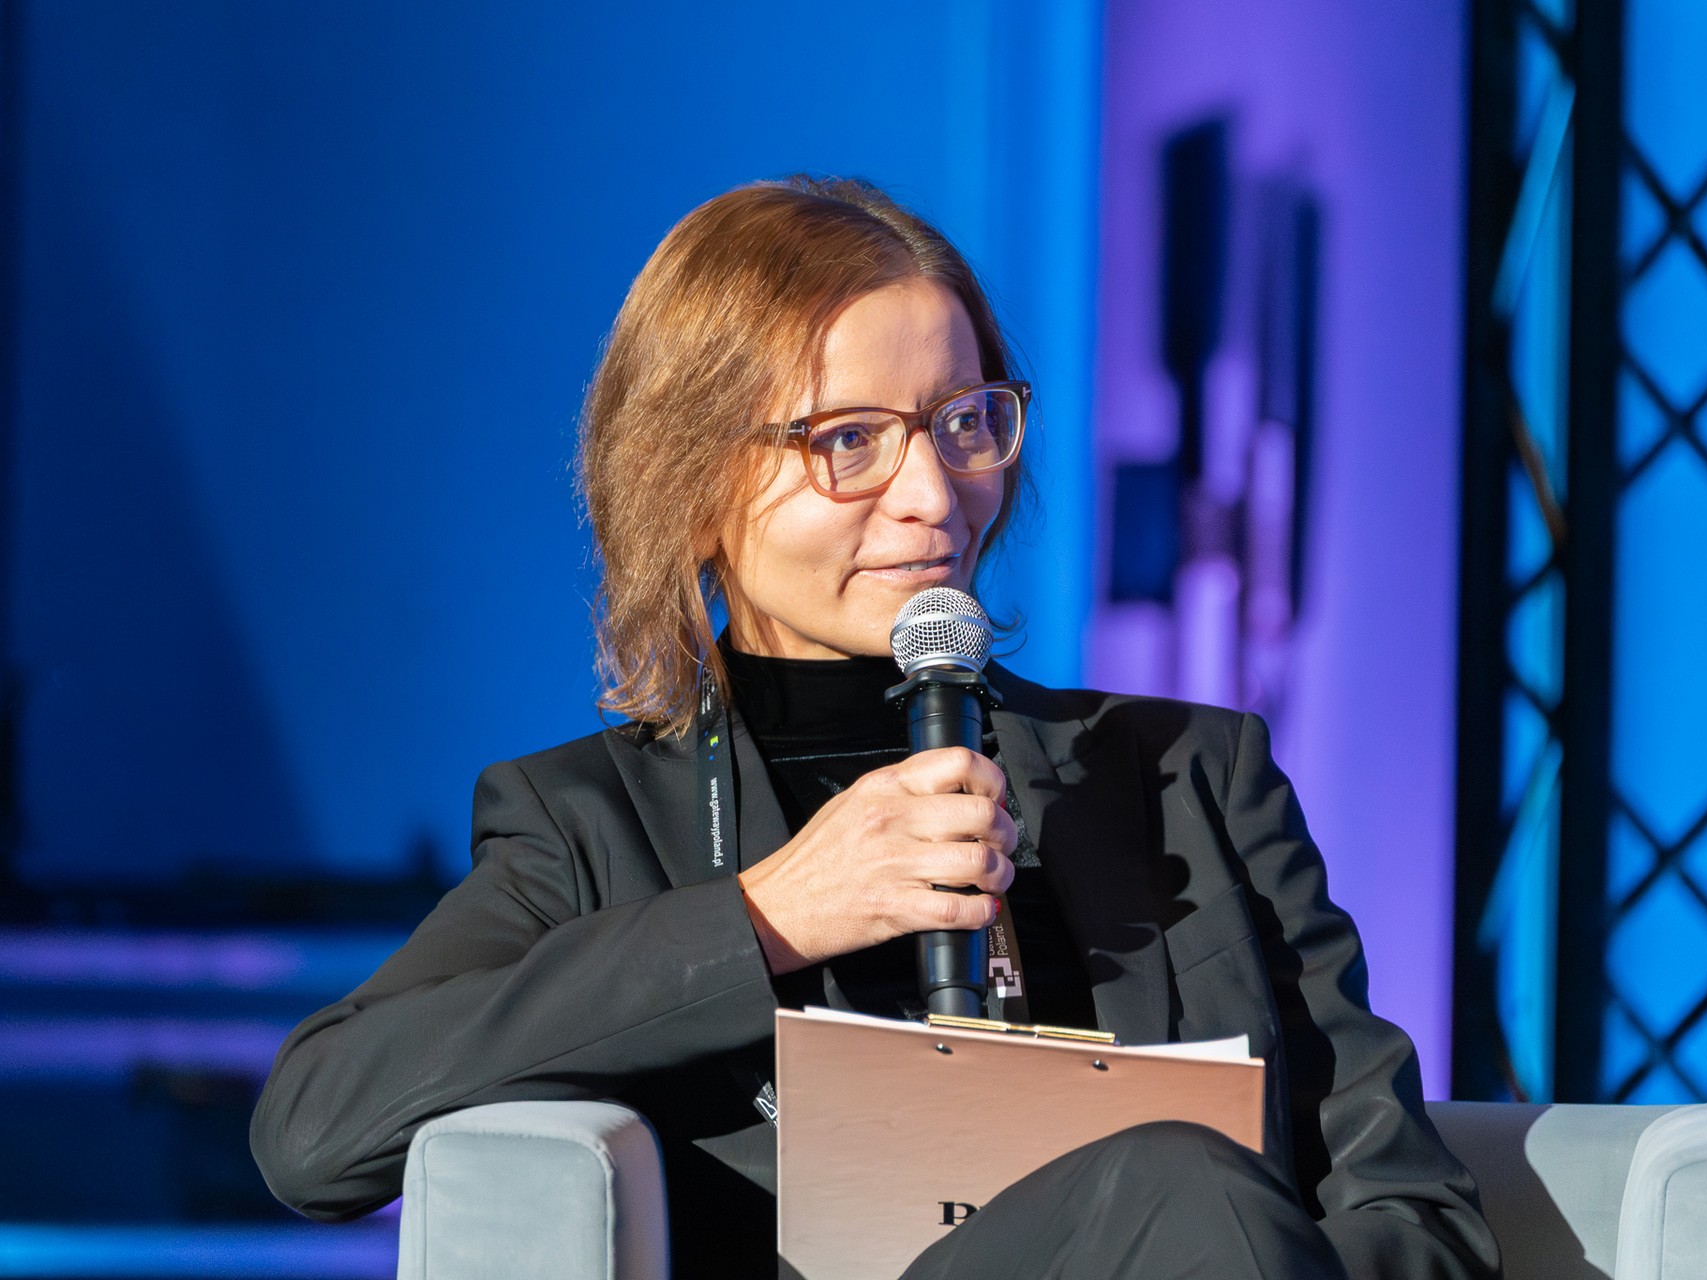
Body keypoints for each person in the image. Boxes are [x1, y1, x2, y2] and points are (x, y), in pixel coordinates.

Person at [252, 176, 1500, 1280]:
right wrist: (770, 917)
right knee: (1172, 1169)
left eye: (964, 421)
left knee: (1180, 1182)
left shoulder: (1187, 774)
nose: (933, 494)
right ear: (691, 484)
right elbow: (314, 1128)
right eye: (849, 439)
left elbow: (1408, 1207)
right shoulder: (588, 821)